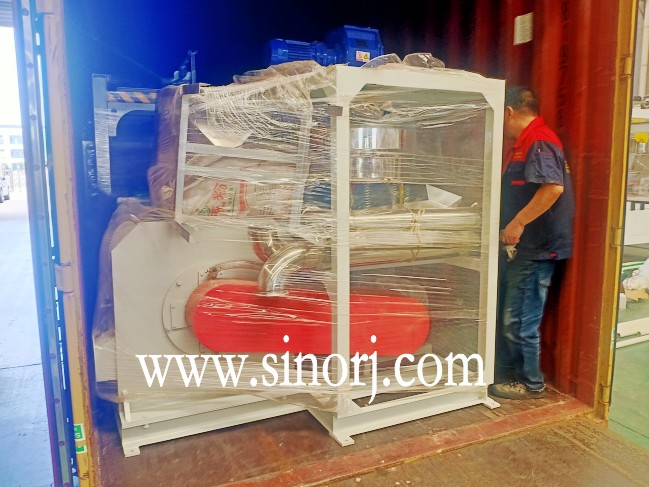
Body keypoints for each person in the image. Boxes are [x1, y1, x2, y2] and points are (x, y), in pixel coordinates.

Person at [489, 86, 575, 400]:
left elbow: (553, 188)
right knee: (512, 317)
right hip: (526, 247)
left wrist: (518, 222)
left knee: (520, 321)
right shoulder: (526, 142)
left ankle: (531, 383)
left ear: (509, 112)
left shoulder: (538, 140)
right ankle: (510, 373)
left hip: (537, 247)